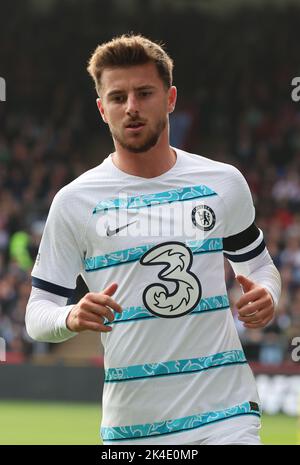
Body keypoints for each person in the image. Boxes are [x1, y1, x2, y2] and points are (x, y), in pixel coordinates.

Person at [25, 34, 281, 445]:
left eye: (144, 93)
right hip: (132, 429)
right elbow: (37, 315)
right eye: (118, 97)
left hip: (227, 415)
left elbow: (260, 268)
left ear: (171, 98)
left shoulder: (223, 183)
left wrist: (267, 293)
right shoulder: (74, 202)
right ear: (101, 110)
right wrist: (71, 317)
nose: (131, 107)